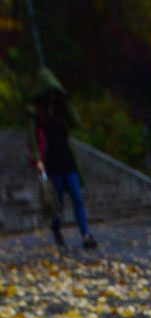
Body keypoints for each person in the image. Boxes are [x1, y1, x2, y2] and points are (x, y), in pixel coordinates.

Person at [28, 67, 97, 249]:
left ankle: (85, 234)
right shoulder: (36, 112)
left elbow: (76, 123)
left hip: (67, 158)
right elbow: (32, 138)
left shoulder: (61, 108)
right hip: (51, 161)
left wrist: (66, 102)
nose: (52, 94)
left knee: (77, 197)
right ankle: (56, 228)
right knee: (57, 201)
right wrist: (38, 159)